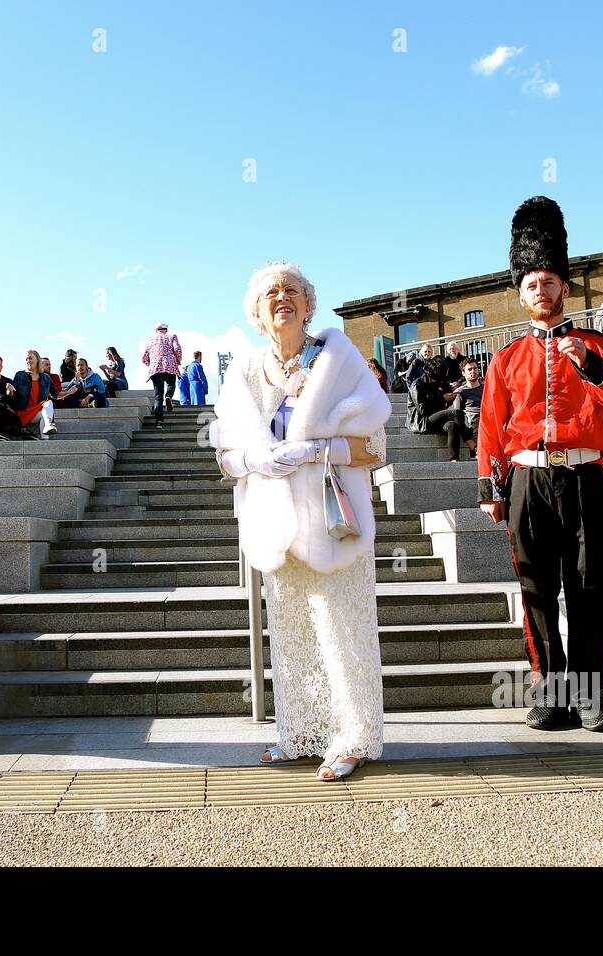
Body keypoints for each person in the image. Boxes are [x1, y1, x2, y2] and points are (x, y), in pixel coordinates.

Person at [212, 261, 389, 781]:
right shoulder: (243, 371)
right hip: (275, 526)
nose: (282, 297)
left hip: (334, 525)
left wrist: (319, 449)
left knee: (343, 632)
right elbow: (224, 454)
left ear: (309, 304)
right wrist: (252, 461)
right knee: (290, 637)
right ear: (256, 312)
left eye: (292, 290)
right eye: (271, 293)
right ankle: (301, 735)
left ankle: (353, 737)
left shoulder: (338, 360)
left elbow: (374, 445)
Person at [476, 196, 603, 732]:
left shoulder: (599, 344)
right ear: (521, 295)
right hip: (527, 479)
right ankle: (550, 692)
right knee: (537, 588)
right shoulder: (504, 359)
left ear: (564, 289)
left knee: (591, 586)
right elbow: (491, 428)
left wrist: (592, 366)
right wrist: (489, 487)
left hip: (586, 475)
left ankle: (590, 693)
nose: (540, 290)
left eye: (549, 281)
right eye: (531, 284)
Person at [141, 322, 182, 428]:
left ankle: (159, 422)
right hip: (170, 365)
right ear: (166, 330)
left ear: (156, 330)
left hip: (155, 368)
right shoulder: (172, 336)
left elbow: (144, 358)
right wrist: (177, 361)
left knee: (158, 397)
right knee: (171, 385)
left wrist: (152, 364)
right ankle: (168, 396)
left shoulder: (151, 340)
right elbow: (177, 349)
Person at [13, 349, 57, 438]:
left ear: (37, 359)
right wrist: (9, 391)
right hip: (23, 413)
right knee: (48, 405)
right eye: (26, 359)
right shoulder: (19, 375)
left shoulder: (46, 377)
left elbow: (56, 395)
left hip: (37, 412)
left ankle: (46, 439)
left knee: (48, 404)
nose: (28, 361)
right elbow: (12, 394)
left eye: (30, 358)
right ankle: (48, 425)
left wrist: (69, 392)